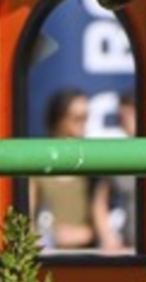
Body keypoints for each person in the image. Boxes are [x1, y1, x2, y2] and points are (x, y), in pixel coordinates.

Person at [30, 87, 124, 252]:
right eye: (77, 118)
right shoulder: (38, 164)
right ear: (59, 119)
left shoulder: (93, 164)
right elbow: (28, 215)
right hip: (47, 254)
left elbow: (99, 210)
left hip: (86, 254)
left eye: (86, 118)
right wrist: (45, 238)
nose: (83, 124)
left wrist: (89, 234)